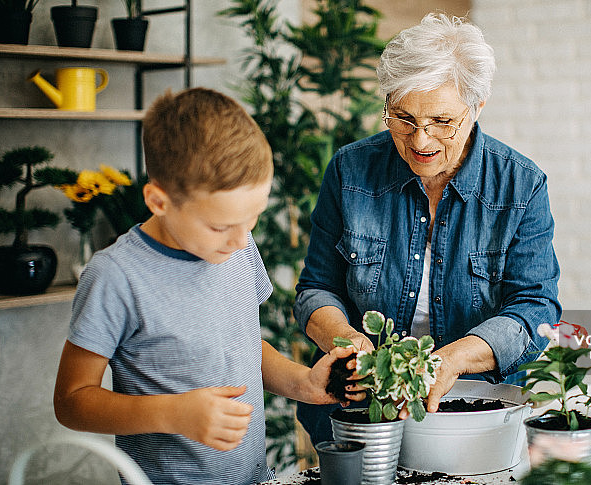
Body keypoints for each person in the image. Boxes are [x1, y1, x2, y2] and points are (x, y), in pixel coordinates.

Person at [53, 88, 361, 484]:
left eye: (252, 219)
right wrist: (173, 414)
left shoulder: (237, 247)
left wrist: (303, 383)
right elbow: (71, 401)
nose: (238, 241)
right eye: (219, 226)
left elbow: (242, 346)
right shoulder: (116, 277)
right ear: (158, 201)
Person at [293, 13, 562, 444]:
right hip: (359, 408)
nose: (420, 141)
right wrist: (346, 340)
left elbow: (534, 311)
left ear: (477, 107)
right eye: (402, 118)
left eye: (442, 121)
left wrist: (452, 360)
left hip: (474, 411)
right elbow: (316, 289)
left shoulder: (521, 186)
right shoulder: (350, 170)